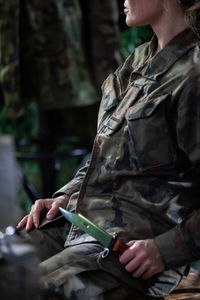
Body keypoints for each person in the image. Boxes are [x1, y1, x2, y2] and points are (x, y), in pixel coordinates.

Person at [17, 0, 200, 299]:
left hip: (128, 247)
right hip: (80, 222)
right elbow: (109, 156)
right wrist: (66, 195)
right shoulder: (139, 58)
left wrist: (163, 251)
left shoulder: (194, 74)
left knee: (31, 291)